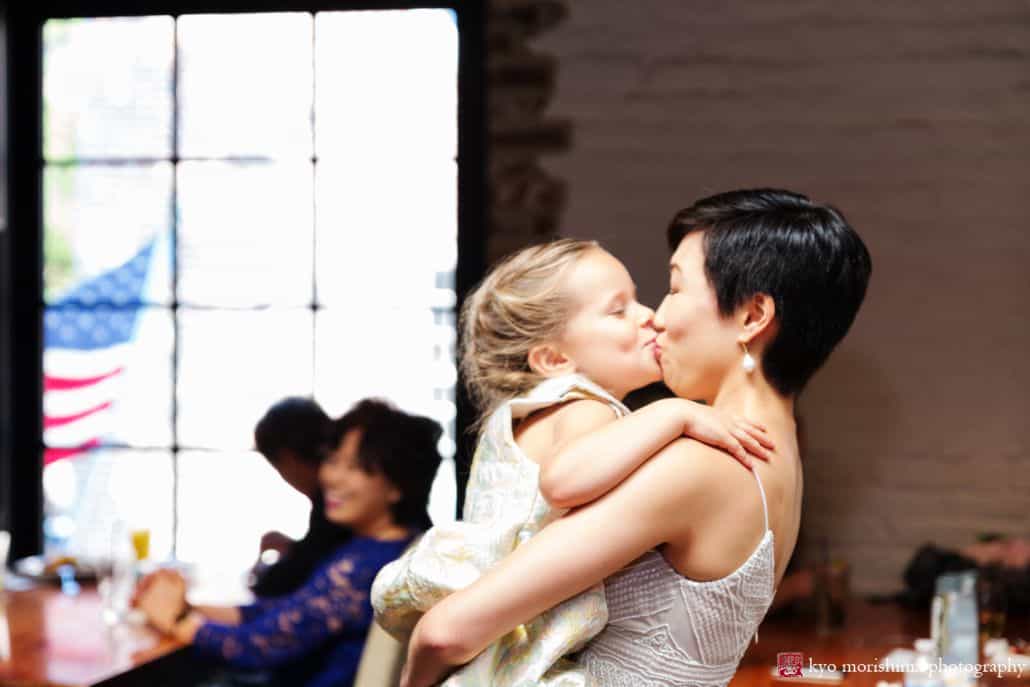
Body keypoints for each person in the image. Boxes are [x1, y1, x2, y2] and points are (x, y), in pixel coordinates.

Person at [400, 188, 872, 687]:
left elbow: (445, 632)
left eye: (674, 287)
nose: (657, 317)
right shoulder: (780, 461)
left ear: (753, 316)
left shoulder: (697, 466)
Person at [372, 239, 773, 687]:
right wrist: (672, 412)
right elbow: (564, 480)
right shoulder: (586, 409)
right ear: (555, 358)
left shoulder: (524, 415)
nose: (649, 316)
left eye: (637, 299)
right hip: (516, 659)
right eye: (618, 310)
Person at [135, 399, 443, 687]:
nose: (332, 477)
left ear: (397, 486)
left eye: (353, 467)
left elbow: (258, 646)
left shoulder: (361, 568)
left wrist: (177, 619)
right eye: (333, 460)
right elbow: (283, 613)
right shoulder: (385, 548)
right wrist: (190, 606)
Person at [251, 397, 350, 598]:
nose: (331, 475)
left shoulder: (336, 508)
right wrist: (294, 549)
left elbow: (285, 583)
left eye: (356, 465)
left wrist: (261, 572)